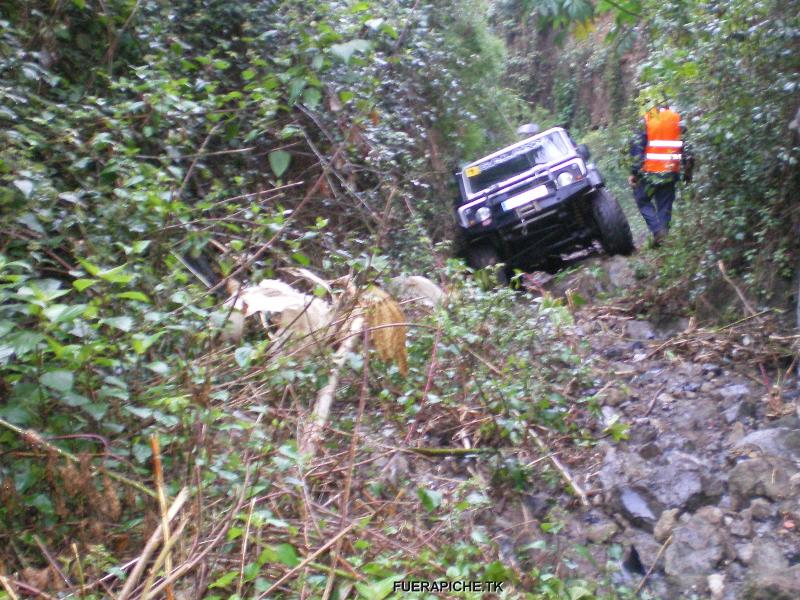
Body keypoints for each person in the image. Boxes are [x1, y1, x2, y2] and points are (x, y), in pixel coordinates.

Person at [628, 100, 694, 246]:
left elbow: (637, 147)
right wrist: (688, 171)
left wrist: (634, 172)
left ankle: (658, 231)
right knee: (665, 206)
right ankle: (663, 242)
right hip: (670, 171)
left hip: (649, 173)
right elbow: (687, 148)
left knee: (642, 200)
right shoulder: (677, 118)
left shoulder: (648, 118)